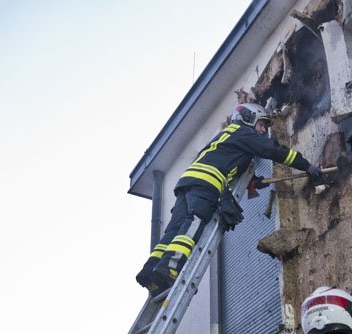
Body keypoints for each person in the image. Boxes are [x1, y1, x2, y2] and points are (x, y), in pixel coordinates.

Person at [135, 102, 320, 295]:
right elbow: (273, 150)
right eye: (262, 124)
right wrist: (306, 165)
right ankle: (171, 266)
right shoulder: (243, 132)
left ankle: (151, 271)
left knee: (174, 228)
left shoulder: (227, 135)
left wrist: (254, 182)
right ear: (248, 118)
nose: (263, 130)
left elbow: (229, 164)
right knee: (195, 221)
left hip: (187, 183)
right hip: (206, 183)